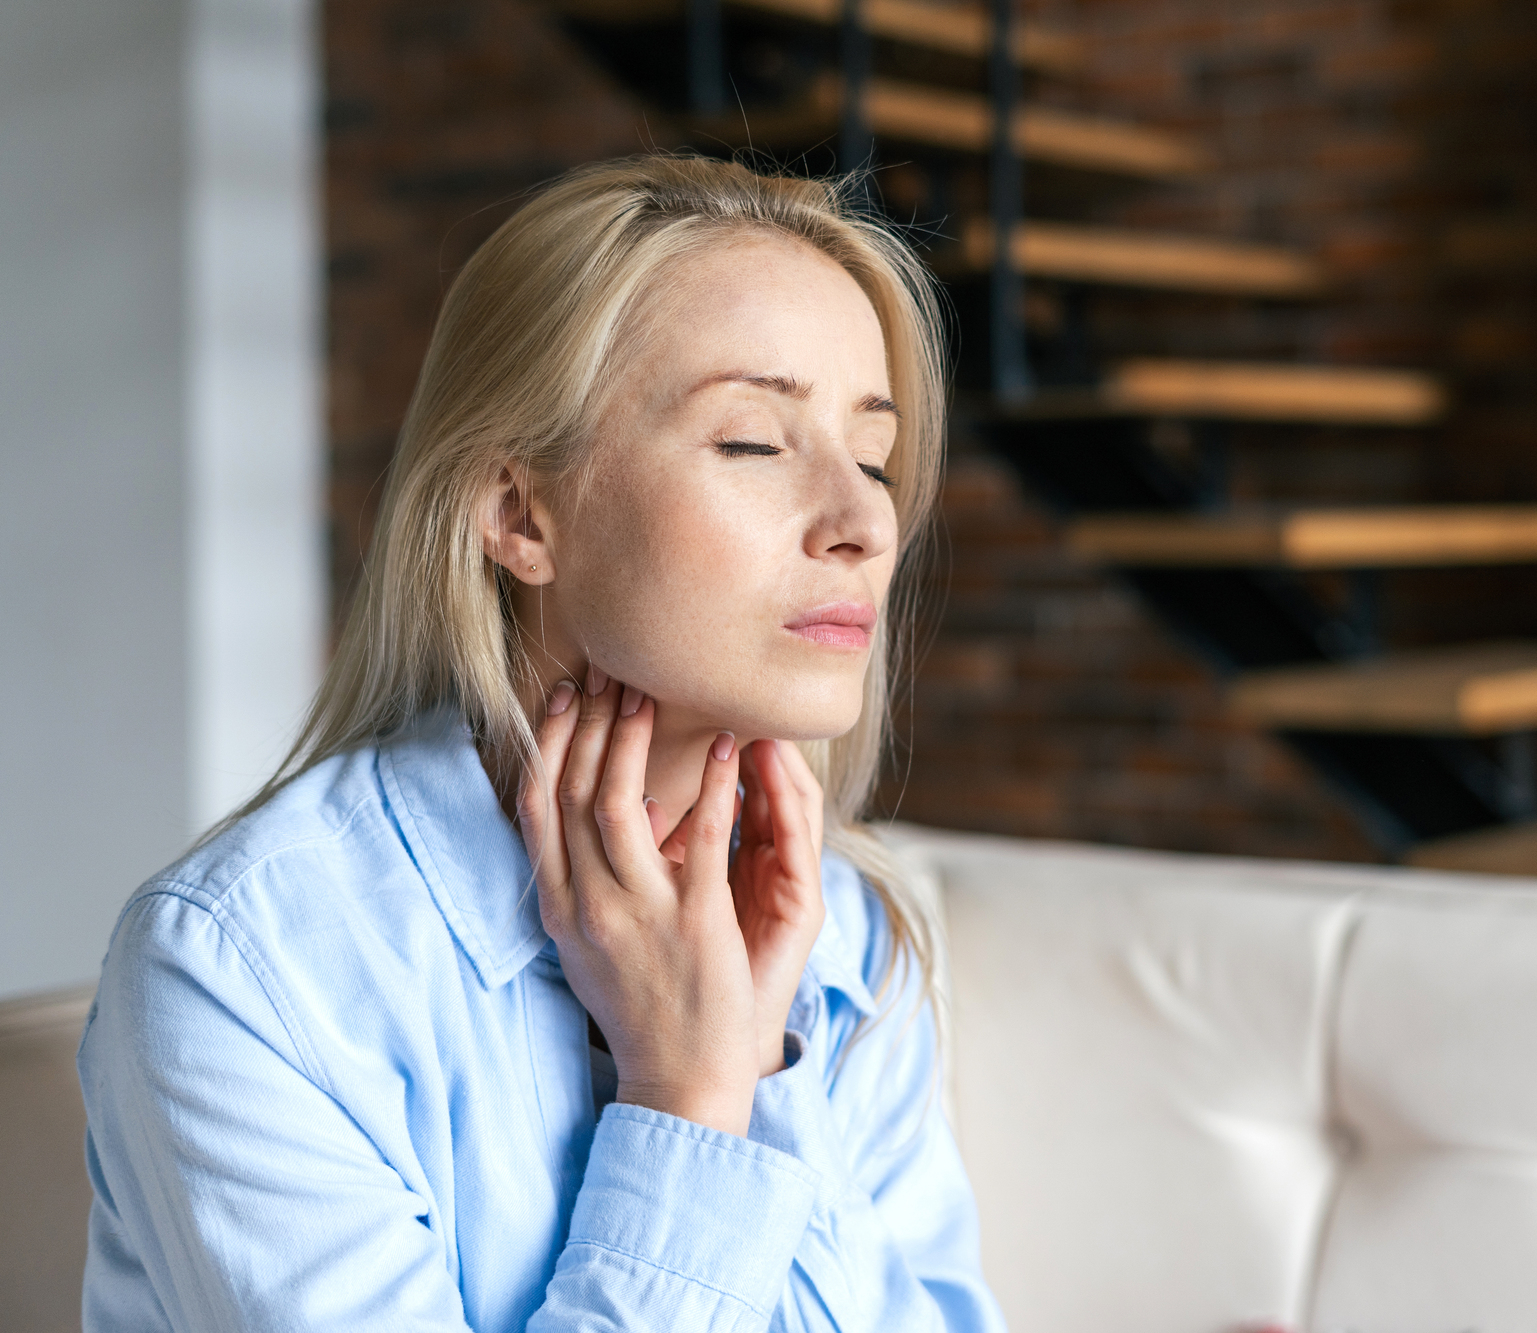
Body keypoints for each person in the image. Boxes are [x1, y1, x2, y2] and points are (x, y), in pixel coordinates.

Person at [77, 155, 1006, 1332]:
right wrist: (691, 1098)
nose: (864, 520)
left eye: (872, 456)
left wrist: (767, 1049)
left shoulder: (843, 934)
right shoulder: (242, 974)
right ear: (520, 514)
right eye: (752, 444)